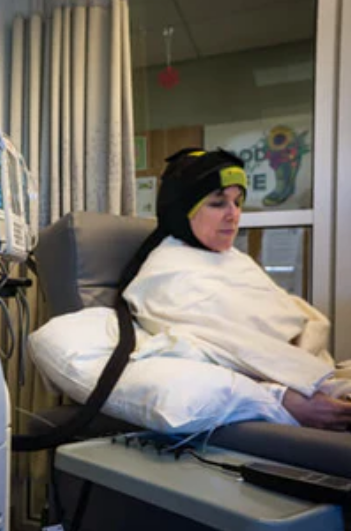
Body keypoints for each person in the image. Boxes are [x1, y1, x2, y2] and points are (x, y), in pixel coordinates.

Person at [117, 148, 351, 432]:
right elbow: (211, 356)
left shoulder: (235, 260)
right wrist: (284, 397)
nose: (234, 214)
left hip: (317, 378)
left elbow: (289, 325)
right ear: (182, 211)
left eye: (238, 201)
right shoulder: (164, 274)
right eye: (218, 203)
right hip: (283, 403)